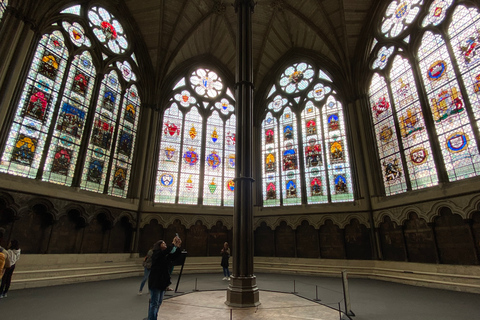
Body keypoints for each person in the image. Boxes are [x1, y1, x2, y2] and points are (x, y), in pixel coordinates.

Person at [147, 236, 182, 320]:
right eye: (163, 243)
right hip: (155, 281)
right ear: (158, 245)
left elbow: (174, 256)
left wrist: (177, 246)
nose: (165, 244)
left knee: (159, 302)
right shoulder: (156, 253)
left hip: (162, 282)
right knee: (154, 303)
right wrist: (172, 244)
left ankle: (153, 317)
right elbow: (166, 251)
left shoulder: (165, 256)